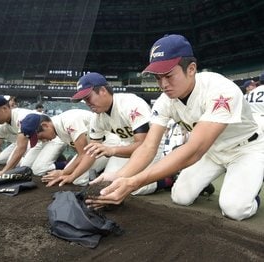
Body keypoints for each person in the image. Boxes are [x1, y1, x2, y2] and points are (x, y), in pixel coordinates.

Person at [86, 34, 264, 221]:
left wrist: (134, 182)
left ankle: (251, 191)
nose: (163, 84)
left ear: (191, 69)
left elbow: (194, 151)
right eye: (157, 77)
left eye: (169, 75)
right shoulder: (165, 101)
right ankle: (212, 184)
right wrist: (118, 176)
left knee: (234, 209)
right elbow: (148, 146)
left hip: (246, 148)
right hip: (213, 152)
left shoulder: (221, 90)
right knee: (180, 197)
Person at [53, 72, 175, 194]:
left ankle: (166, 179)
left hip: (152, 144)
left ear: (103, 91)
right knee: (108, 184)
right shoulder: (97, 117)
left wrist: (112, 151)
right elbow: (91, 153)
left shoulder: (130, 104)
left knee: (133, 188)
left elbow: (144, 144)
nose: (87, 103)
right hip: (125, 145)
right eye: (84, 100)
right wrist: (71, 176)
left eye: (88, 97)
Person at [20, 109, 120, 186]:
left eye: (41, 137)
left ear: (45, 125)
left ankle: (106, 169)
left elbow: (85, 154)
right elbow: (81, 153)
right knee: (69, 174)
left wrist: (66, 173)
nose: (43, 140)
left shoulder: (69, 122)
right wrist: (64, 173)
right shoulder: (57, 128)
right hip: (93, 149)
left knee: (78, 180)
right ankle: (100, 168)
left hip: (110, 144)